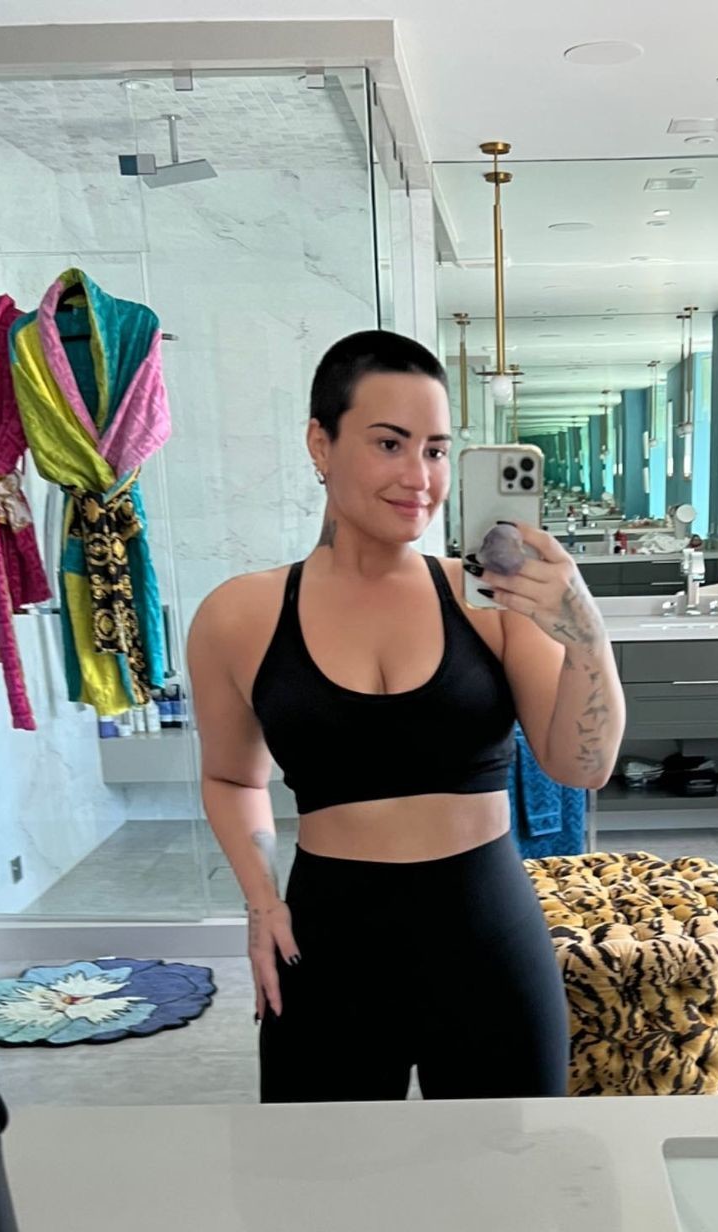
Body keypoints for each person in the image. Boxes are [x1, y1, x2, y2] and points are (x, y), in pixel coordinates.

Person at [187, 330, 626, 1102]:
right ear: (320, 443)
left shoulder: (490, 601)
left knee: (511, 1170)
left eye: (436, 450)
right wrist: (261, 900)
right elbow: (231, 777)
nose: (419, 477)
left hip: (489, 935)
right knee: (322, 1170)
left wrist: (585, 632)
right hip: (326, 942)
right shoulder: (238, 616)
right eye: (390, 444)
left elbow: (581, 766)